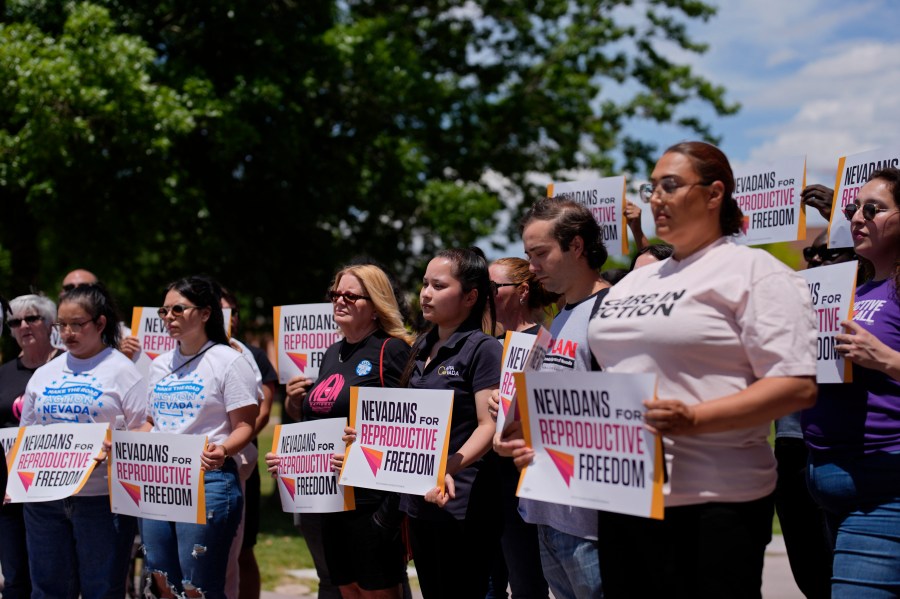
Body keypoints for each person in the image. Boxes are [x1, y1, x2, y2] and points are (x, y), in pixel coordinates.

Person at [586, 141, 817, 598]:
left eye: (670, 185)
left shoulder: (756, 274)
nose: (655, 198)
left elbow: (795, 387)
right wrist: (554, 443)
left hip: (715, 503)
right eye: (652, 187)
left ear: (715, 194)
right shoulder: (634, 280)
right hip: (625, 495)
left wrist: (694, 419)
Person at [268, 264, 414, 599]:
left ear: (375, 305)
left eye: (351, 295)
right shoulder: (332, 353)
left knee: (377, 592)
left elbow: (408, 425)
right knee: (346, 589)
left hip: (372, 502)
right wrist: (289, 461)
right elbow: (317, 424)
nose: (340, 301)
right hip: (329, 501)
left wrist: (388, 515)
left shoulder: (390, 350)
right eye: (336, 294)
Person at [493, 198, 610, 599]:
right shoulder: (561, 318)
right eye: (528, 255)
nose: (533, 266)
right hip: (549, 513)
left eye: (540, 253)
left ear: (576, 246)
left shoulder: (612, 315)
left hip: (591, 526)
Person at [803, 167, 900, 597]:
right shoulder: (852, 291)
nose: (857, 217)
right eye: (852, 208)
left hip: (882, 489)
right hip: (829, 486)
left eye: (873, 209)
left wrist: (888, 361)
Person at [385, 247, 502, 598]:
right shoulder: (421, 345)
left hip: (462, 506)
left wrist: (448, 466)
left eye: (438, 285)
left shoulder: (483, 349)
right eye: (424, 284)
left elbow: (488, 425)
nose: (425, 293)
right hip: (419, 502)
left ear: (470, 296)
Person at [19, 284, 148, 599]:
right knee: (48, 590)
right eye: (62, 325)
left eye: (77, 324)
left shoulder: (124, 372)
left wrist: (120, 444)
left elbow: (146, 427)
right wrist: (15, 482)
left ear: (101, 324)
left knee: (101, 590)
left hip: (102, 501)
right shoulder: (45, 374)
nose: (67, 333)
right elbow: (26, 434)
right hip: (44, 500)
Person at [140, 275, 259, 599]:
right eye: (163, 312)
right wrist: (124, 443)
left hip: (210, 480)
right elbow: (152, 421)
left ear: (206, 313)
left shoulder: (229, 361)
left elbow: (245, 427)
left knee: (198, 588)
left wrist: (222, 449)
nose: (168, 318)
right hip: (160, 480)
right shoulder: (159, 366)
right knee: (163, 582)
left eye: (178, 309)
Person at [774, 210, 854, 599]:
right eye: (812, 253)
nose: (817, 260)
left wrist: (834, 211)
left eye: (829, 253)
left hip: (840, 450)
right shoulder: (791, 303)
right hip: (791, 445)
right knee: (808, 568)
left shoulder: (863, 303)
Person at [488, 257, 558, 598]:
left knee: (528, 583)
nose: (484, 295)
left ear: (522, 291)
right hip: (492, 488)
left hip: (529, 485)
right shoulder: (487, 345)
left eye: (492, 288)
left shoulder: (548, 341)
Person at [0, 294, 58, 599]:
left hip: (59, 489)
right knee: (15, 576)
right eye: (15, 321)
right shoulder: (3, 374)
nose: (23, 325)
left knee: (54, 578)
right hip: (10, 491)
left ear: (50, 325)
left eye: (32, 318)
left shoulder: (68, 367)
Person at [221, 287, 276, 599]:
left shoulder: (252, 357)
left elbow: (263, 412)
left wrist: (229, 444)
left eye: (229, 312)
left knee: (243, 550)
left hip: (240, 466)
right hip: (197, 468)